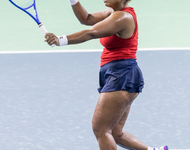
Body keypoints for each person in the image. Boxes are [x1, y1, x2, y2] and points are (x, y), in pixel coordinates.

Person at [45, 0, 168, 150]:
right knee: (116, 133)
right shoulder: (112, 13)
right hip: (120, 75)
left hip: (121, 75)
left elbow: (91, 32)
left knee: (101, 130)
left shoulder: (123, 17)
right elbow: (87, 19)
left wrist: (61, 40)